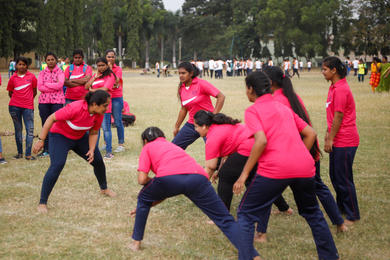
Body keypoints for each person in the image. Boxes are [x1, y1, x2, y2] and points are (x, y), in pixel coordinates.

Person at [233, 71, 339, 260]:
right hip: (305, 168)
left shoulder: (253, 111)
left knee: (246, 214)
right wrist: (298, 158)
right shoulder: (283, 107)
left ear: (250, 89)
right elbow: (311, 133)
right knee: (313, 213)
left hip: (274, 170)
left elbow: (261, 141)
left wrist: (244, 174)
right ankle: (330, 256)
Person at [129, 127, 253, 260]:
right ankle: (253, 256)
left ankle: (136, 243)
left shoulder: (148, 147)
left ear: (145, 140)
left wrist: (149, 197)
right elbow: (166, 190)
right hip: (198, 177)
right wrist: (157, 192)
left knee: (143, 198)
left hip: (167, 179)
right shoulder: (172, 146)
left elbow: (142, 180)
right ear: (163, 137)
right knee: (225, 219)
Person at [263, 65, 348, 232]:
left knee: (266, 191)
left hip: (291, 155)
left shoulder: (276, 101)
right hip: (308, 151)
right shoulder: (292, 96)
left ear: (270, 83)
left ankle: (260, 233)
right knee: (318, 186)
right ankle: (340, 223)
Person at [194, 110, 293, 243]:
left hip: (250, 146)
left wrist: (196, 186)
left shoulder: (212, 136)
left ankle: (222, 215)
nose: (196, 130)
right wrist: (223, 166)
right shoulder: (219, 126)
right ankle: (285, 209)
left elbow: (210, 167)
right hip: (259, 143)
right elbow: (228, 151)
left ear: (204, 126)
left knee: (226, 176)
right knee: (254, 179)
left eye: (196, 126)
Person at [32, 90, 116, 213]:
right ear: (94, 104)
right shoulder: (75, 108)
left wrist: (92, 149)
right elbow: (51, 118)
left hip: (79, 137)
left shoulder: (99, 114)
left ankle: (104, 189)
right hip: (60, 136)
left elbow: (93, 132)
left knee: (97, 160)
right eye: (105, 105)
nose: (107, 108)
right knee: (57, 164)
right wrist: (41, 140)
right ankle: (42, 202)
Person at [322, 56, 360, 225]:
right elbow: (331, 116)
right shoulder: (333, 87)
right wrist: (327, 133)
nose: (322, 72)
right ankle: (341, 208)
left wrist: (331, 138)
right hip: (337, 138)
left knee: (343, 178)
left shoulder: (341, 89)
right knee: (335, 176)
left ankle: (352, 214)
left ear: (334, 70)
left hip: (346, 139)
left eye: (324, 69)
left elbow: (339, 116)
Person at [172, 62, 225, 150]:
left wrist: (213, 116)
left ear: (191, 73)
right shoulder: (181, 88)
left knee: (215, 151)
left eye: (183, 73)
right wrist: (177, 127)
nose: (181, 75)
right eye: (179, 73)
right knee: (173, 149)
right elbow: (184, 109)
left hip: (207, 124)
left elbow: (221, 97)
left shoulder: (201, 84)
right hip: (192, 124)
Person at [85, 57, 116, 159]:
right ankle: (94, 150)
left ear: (107, 65)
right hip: (95, 107)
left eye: (103, 65)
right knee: (95, 129)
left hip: (104, 107)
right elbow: (86, 87)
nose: (101, 67)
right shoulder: (96, 75)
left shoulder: (110, 75)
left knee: (106, 129)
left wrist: (92, 91)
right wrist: (94, 78)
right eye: (98, 65)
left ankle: (109, 152)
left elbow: (105, 89)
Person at [7, 56, 37, 160]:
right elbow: (10, 93)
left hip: (28, 108)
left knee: (30, 130)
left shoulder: (32, 77)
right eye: (19, 64)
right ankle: (19, 153)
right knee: (18, 130)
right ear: (16, 66)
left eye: (24, 64)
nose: (21, 66)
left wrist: (26, 100)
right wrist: (18, 101)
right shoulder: (13, 78)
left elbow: (34, 92)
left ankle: (28, 154)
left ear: (27, 66)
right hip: (14, 107)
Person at [37, 52, 65, 158]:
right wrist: (53, 85)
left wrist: (47, 84)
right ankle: (46, 149)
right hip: (44, 102)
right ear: (45, 61)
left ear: (56, 60)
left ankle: (57, 148)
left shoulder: (60, 72)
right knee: (45, 124)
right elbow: (40, 87)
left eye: (52, 59)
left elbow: (60, 85)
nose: (50, 61)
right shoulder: (42, 73)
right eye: (48, 60)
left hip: (57, 102)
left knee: (56, 125)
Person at [105, 50, 125, 154]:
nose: (110, 59)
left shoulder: (118, 69)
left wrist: (110, 69)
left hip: (116, 97)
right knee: (106, 122)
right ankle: (106, 143)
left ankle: (121, 144)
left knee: (117, 121)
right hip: (106, 97)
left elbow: (116, 80)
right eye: (108, 57)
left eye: (112, 57)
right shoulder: (102, 68)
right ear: (105, 57)